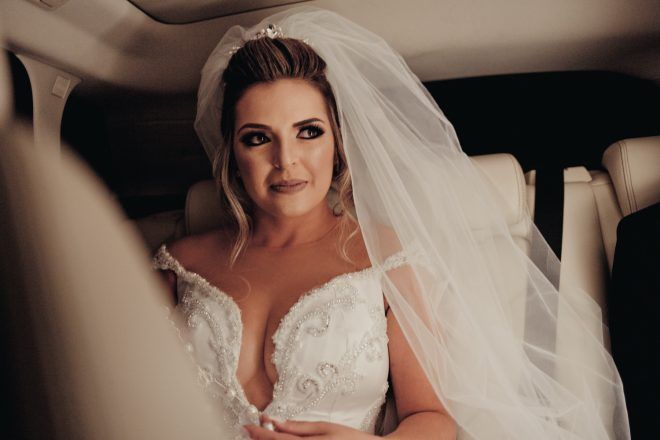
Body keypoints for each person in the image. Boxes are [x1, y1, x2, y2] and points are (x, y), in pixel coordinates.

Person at [154, 7, 630, 439]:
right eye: (258, 138)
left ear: (338, 143)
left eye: (309, 132)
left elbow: (432, 419)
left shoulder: (387, 259)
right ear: (233, 154)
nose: (286, 160)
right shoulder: (179, 264)